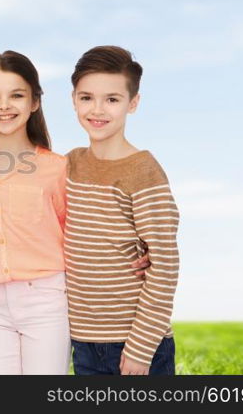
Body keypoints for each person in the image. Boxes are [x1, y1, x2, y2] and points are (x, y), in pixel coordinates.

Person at [64, 46, 179, 375]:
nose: (97, 109)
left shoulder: (143, 171)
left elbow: (165, 266)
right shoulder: (70, 165)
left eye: (112, 99)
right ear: (73, 99)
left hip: (135, 344)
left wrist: (141, 348)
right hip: (84, 342)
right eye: (86, 98)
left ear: (133, 103)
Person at [0, 50, 70, 374]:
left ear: (35, 101)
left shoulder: (58, 168)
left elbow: (79, 235)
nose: (4, 106)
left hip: (46, 300)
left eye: (17, 95)